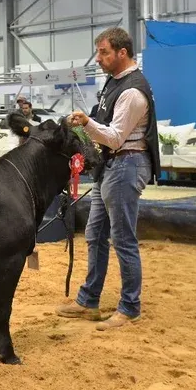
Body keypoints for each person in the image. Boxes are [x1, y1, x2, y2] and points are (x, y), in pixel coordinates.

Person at [59, 27, 160, 330]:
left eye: (103, 52)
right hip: (112, 166)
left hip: (126, 164)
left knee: (123, 239)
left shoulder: (132, 91)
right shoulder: (115, 83)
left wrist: (87, 123)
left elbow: (115, 137)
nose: (98, 58)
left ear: (122, 52)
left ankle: (130, 307)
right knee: (95, 233)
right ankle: (88, 301)